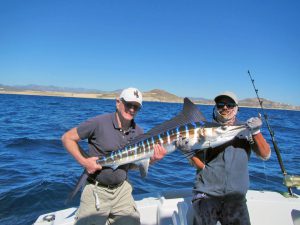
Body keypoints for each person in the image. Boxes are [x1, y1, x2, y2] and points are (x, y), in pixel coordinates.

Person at [61, 87, 167, 225]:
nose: (132, 110)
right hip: (96, 190)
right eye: (129, 104)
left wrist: (153, 160)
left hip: (122, 191)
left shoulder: (139, 133)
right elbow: (67, 138)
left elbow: (133, 166)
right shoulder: (98, 122)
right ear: (118, 102)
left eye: (136, 107)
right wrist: (84, 162)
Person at [176, 91, 271, 225]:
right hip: (206, 194)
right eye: (221, 105)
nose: (225, 108)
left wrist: (256, 132)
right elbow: (199, 164)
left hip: (236, 198)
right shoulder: (204, 130)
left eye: (230, 105)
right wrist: (187, 152)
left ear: (237, 108)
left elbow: (265, 155)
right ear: (215, 108)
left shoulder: (246, 129)